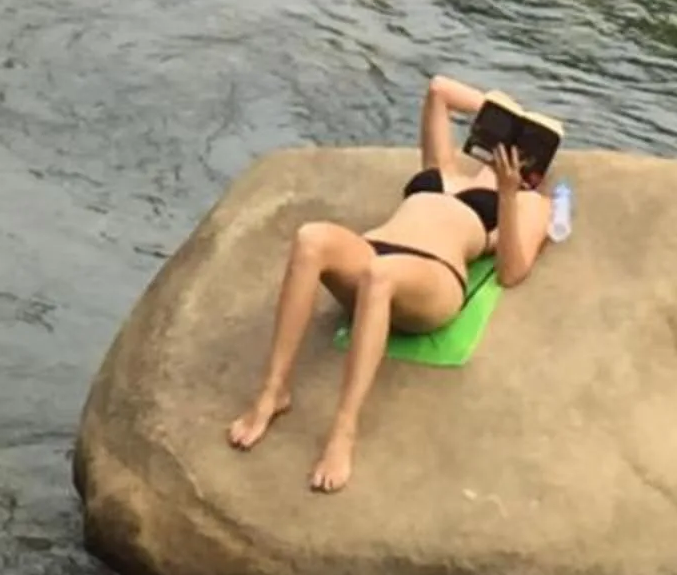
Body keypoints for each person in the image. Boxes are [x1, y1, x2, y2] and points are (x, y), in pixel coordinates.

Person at [226, 75, 553, 494]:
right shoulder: (445, 171)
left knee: (380, 277)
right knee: (312, 238)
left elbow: (512, 271)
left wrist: (508, 194)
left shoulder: (528, 201)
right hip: (372, 250)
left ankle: (343, 429)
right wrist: (500, 108)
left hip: (429, 276)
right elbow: (439, 90)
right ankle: (273, 392)